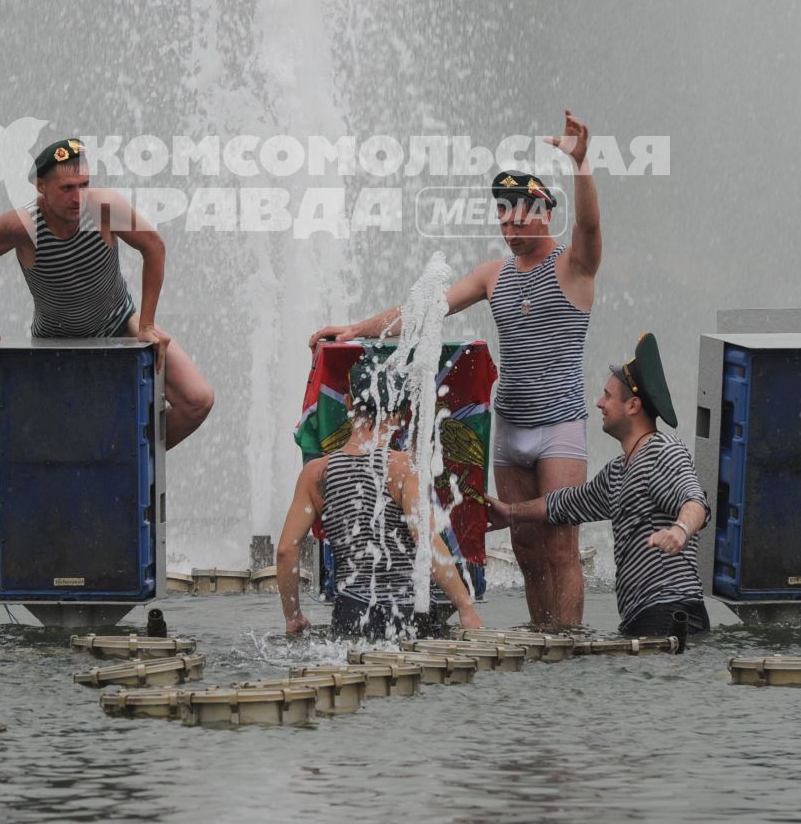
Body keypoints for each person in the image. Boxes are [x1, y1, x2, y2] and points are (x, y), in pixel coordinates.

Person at [310, 110, 601, 625]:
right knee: (528, 551)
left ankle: (569, 646)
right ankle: (540, 639)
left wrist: (581, 165)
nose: (510, 227)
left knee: (561, 548)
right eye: (503, 217)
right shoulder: (493, 275)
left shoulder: (573, 265)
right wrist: (354, 329)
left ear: (545, 213)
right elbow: (423, 312)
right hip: (511, 427)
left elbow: (590, 225)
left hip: (560, 426)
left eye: (521, 216)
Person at [0, 136, 214, 446]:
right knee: (57, 442)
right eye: (67, 188)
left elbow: (154, 247)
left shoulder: (104, 207)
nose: (78, 197)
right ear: (41, 187)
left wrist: (146, 324)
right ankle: (102, 463)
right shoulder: (22, 225)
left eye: (83, 185)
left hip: (120, 322)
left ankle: (129, 459)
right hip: (55, 340)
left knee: (198, 399)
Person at [489, 332, 712, 643]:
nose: (598, 403)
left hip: (671, 614)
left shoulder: (663, 450)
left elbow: (695, 501)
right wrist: (511, 512)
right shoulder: (617, 472)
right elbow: (565, 503)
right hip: (640, 619)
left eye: (608, 396)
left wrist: (679, 531)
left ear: (633, 405)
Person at [276, 360, 484, 639]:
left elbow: (286, 551)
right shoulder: (403, 469)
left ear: (349, 403)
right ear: (399, 414)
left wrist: (293, 617)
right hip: (406, 615)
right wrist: (465, 606)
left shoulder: (315, 474)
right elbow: (427, 542)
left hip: (349, 614)